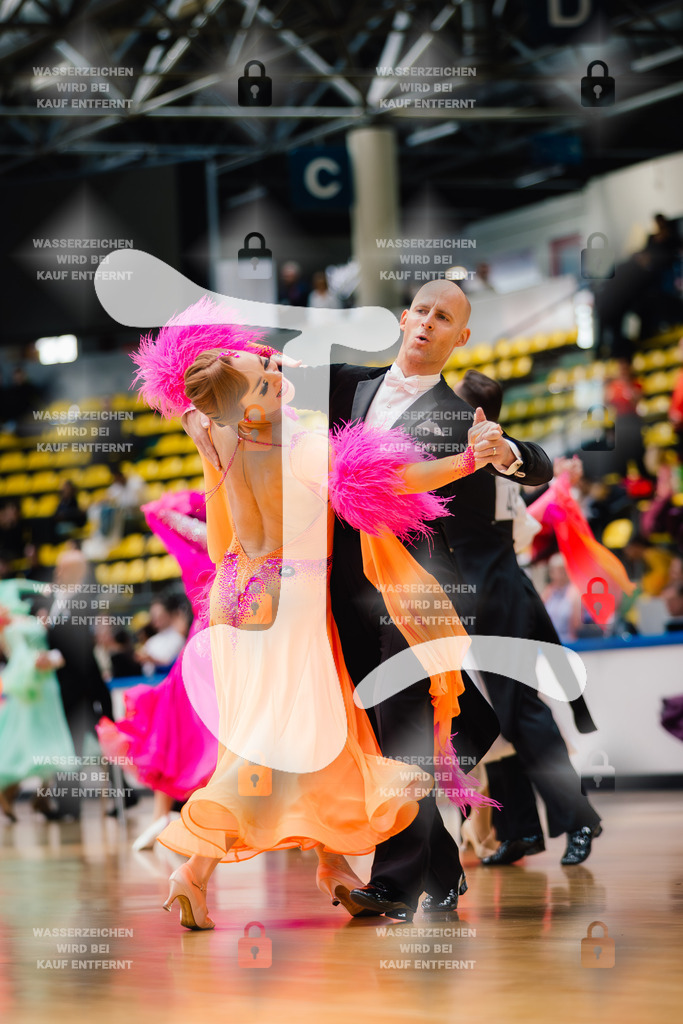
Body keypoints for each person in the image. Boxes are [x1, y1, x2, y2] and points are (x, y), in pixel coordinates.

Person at [183, 280, 557, 917]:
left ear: (460, 337)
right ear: (404, 317)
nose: (428, 324)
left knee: (407, 731)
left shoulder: (455, 412)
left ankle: (405, 882)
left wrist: (503, 453)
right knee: (376, 742)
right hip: (325, 596)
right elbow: (239, 381)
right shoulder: (343, 383)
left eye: (445, 319)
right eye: (422, 312)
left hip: (404, 592)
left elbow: (538, 466)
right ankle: (429, 871)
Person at [96, 490, 219, 851]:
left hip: (221, 642)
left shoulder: (223, 543)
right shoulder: (213, 543)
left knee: (185, 723)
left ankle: (168, 815)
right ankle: (162, 815)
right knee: (174, 720)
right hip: (207, 645)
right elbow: (161, 511)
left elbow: (161, 511)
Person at [0, 581, 75, 822]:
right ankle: (11, 792)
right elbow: (18, 655)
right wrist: (36, 662)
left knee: (49, 742)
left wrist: (51, 658)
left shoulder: (28, 619)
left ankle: (40, 797)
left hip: (47, 686)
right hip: (29, 686)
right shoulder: (10, 627)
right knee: (28, 743)